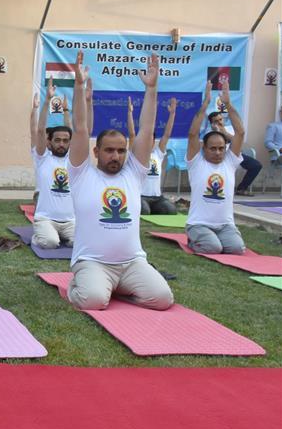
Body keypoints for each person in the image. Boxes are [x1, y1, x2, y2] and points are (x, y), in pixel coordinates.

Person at [66, 52, 173, 311]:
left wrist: (152, 88)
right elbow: (80, 128)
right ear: (96, 152)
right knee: (93, 301)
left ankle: (117, 287)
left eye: (121, 150)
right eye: (109, 150)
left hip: (132, 263)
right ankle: (79, 284)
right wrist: (79, 87)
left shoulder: (133, 174)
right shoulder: (82, 174)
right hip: (92, 261)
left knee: (162, 299)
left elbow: (146, 130)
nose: (115, 156)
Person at [185, 77, 246, 255]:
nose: (218, 152)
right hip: (198, 224)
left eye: (221, 148)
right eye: (213, 148)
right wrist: (205, 104)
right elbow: (192, 134)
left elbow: (240, 132)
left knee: (236, 249)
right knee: (213, 248)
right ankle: (192, 238)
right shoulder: (196, 162)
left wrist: (227, 104)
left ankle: (219, 238)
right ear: (204, 149)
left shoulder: (230, 161)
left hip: (225, 224)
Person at [29, 79, 74, 249]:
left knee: (78, 243)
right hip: (46, 218)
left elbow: (72, 132)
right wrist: (47, 100)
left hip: (70, 220)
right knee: (50, 243)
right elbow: (39, 131)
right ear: (50, 142)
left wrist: (66, 111)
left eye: (65, 141)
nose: (61, 144)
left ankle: (61, 235)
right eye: (57, 140)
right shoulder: (42, 158)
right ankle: (41, 235)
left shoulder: (72, 160)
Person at [200, 108, 262, 197]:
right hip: (218, 157)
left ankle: (241, 188)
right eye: (216, 121)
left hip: (234, 155)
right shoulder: (209, 133)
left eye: (221, 119)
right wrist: (217, 131)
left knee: (256, 165)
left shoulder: (229, 129)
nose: (220, 122)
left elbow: (235, 141)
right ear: (211, 123)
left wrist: (223, 131)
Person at [138, 97, 178, 215]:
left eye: (150, 139)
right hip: (141, 196)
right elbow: (133, 132)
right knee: (144, 211)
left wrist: (172, 114)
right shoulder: (136, 154)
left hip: (157, 198)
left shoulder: (158, 154)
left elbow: (166, 134)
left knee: (170, 210)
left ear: (154, 141)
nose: (147, 142)